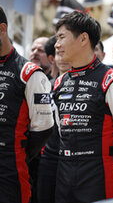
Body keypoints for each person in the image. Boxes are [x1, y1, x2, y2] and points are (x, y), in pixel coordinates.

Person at [53, 11, 113, 203]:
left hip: (99, 174)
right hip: (64, 172)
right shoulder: (59, 82)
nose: (57, 44)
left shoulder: (111, 80)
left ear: (83, 38)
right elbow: (61, 133)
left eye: (61, 37)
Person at [0, 6, 54, 203]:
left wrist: (18, 151)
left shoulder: (29, 72)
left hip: (11, 169)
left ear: (2, 29)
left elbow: (45, 126)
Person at [36, 49, 71, 203]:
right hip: (48, 156)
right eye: (59, 54)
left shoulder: (84, 86)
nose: (62, 59)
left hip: (73, 159)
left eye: (66, 54)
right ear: (53, 59)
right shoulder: (45, 86)